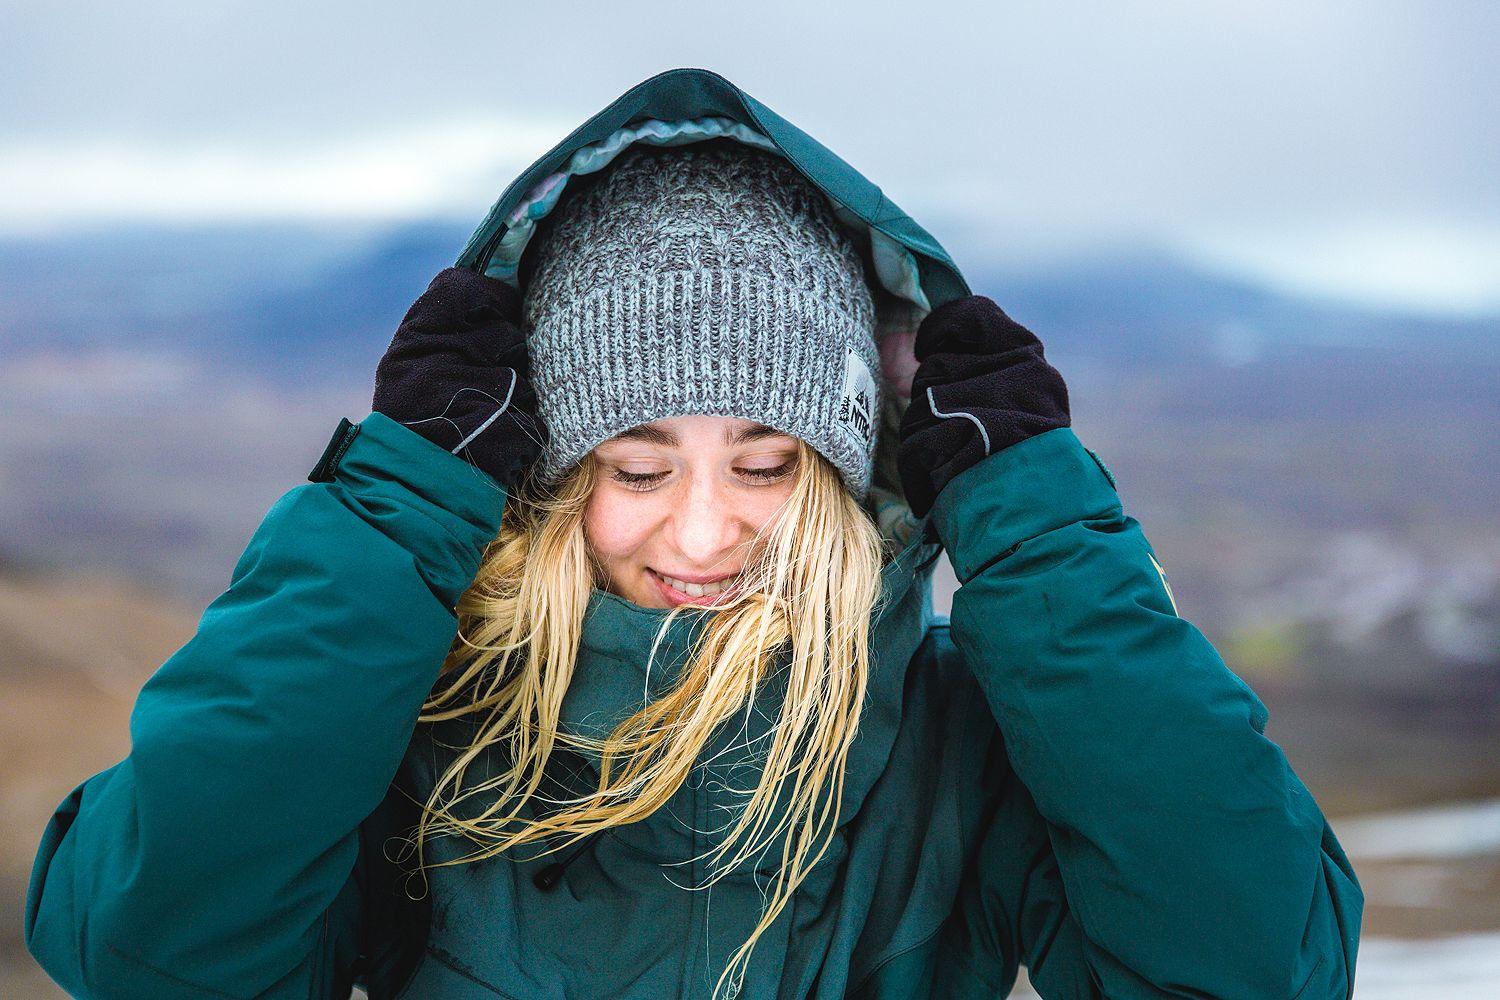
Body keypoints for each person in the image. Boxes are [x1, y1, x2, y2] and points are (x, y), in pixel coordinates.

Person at [24, 69, 1362, 1000]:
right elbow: (153, 947)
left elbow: (1253, 968)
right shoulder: (426, 724)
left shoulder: (962, 746)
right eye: (638, 462)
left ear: (851, 477)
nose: (706, 530)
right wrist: (390, 513)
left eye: (770, 462)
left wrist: (1045, 535)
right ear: (548, 475)